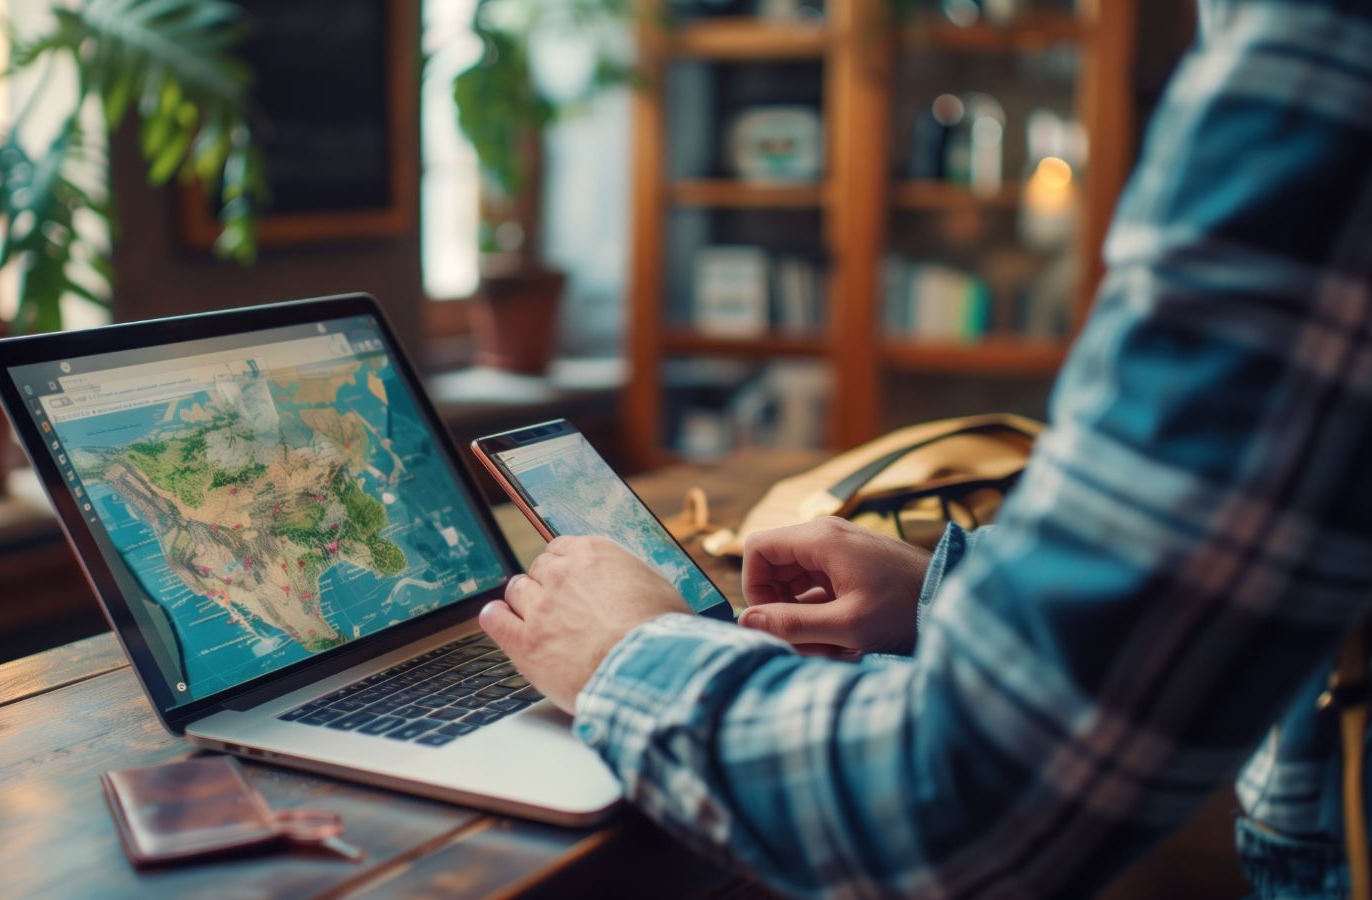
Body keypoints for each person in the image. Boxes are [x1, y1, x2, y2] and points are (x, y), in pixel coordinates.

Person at [477, 0, 1372, 896]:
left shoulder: (1316, 66)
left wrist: (623, 654)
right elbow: (1201, 607)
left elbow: (962, 798)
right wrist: (944, 595)